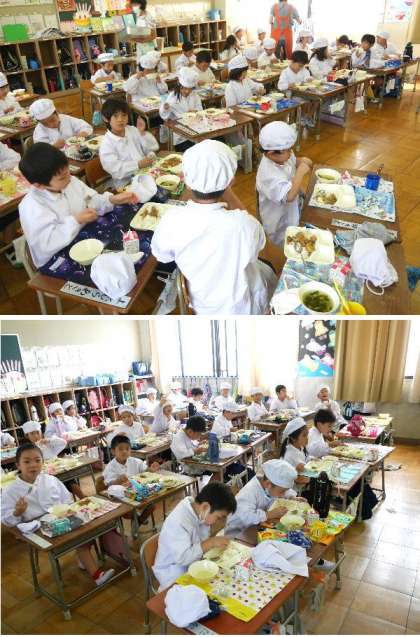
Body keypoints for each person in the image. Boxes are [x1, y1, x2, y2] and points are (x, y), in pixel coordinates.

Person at [151, 139, 277, 314]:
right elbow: (258, 246)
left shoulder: (171, 220)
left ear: (185, 179)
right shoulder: (243, 224)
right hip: (240, 307)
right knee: (266, 271)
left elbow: (162, 255)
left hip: (201, 303)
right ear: (231, 181)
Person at [1, 443, 116, 586]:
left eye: (37, 460)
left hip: (61, 520)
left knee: (89, 526)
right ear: (18, 465)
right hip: (38, 530)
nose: (33, 465)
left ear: (43, 462)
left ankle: (84, 558)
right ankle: (97, 575)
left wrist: (68, 509)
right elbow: (6, 521)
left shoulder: (50, 480)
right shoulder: (10, 491)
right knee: (78, 538)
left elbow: (67, 499)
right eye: (27, 461)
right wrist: (17, 512)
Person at [18, 143, 135, 268]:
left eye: (68, 171)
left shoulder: (69, 181)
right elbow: (46, 244)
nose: (69, 177)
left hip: (84, 237)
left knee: (126, 245)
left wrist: (111, 200)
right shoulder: (31, 206)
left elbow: (91, 200)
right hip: (58, 257)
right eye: (62, 177)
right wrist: (76, 220)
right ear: (39, 185)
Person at [153, 482, 236, 588]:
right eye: (218, 517)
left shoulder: (200, 513)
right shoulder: (179, 522)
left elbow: (201, 540)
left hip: (192, 564)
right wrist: (210, 543)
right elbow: (183, 558)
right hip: (173, 573)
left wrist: (212, 543)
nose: (218, 521)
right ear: (205, 507)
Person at [256, 121, 312, 247]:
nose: (291, 153)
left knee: (294, 232)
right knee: (284, 245)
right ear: (270, 153)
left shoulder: (283, 155)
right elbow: (289, 196)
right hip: (278, 221)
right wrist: (300, 173)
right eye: (288, 150)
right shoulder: (268, 175)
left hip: (291, 211)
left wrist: (301, 161)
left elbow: (293, 161)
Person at [224, 459, 299, 535]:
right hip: (238, 533)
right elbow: (247, 517)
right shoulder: (249, 493)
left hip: (256, 527)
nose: (283, 495)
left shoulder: (269, 486)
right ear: (268, 484)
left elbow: (282, 489)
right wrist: (269, 514)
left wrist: (291, 497)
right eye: (282, 492)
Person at [99, 98, 158, 188]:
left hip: (146, 173)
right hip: (126, 183)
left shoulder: (132, 130)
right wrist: (138, 165)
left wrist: (142, 133)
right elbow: (116, 170)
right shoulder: (107, 144)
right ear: (105, 118)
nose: (120, 120)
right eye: (115, 116)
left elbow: (152, 148)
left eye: (124, 115)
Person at [22, 420, 85, 498]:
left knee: (70, 481)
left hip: (57, 469)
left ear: (41, 432)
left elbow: (63, 443)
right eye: (32, 434)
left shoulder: (48, 443)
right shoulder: (28, 450)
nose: (36, 436)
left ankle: (83, 497)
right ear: (27, 436)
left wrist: (49, 440)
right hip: (43, 475)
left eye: (37, 432)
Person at [159, 67, 202, 150]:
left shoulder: (194, 95)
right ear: (179, 86)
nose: (187, 91)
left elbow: (200, 109)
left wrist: (196, 111)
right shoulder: (172, 97)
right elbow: (165, 116)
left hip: (196, 129)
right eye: (185, 88)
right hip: (180, 135)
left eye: (190, 89)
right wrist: (165, 108)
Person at [279, 418, 311, 483]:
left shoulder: (300, 447)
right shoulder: (290, 454)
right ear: (293, 438)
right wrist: (297, 470)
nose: (307, 438)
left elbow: (305, 458)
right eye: (304, 435)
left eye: (307, 434)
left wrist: (311, 459)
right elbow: (291, 478)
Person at [127, 0, 158, 65]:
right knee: (140, 66)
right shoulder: (136, 16)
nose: (132, 7)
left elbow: (153, 35)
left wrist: (141, 40)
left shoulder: (149, 16)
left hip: (149, 48)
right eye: (132, 5)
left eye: (134, 5)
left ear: (140, 5)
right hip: (140, 48)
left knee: (149, 66)